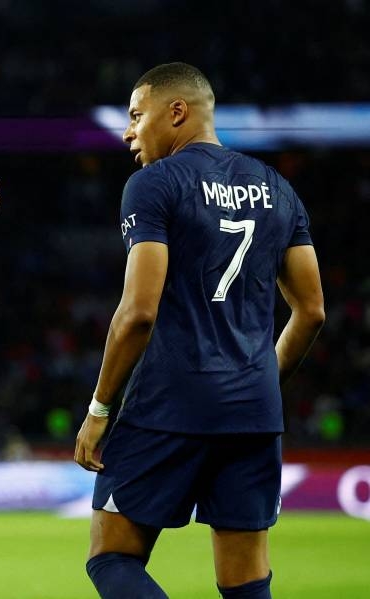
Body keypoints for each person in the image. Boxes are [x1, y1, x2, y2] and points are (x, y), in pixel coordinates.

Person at [73, 62, 325, 599]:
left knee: (112, 558)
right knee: (246, 582)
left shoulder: (154, 184)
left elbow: (138, 312)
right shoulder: (278, 190)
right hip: (253, 411)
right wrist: (260, 379)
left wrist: (98, 410)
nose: (128, 132)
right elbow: (312, 311)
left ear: (176, 112)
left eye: (136, 116)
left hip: (171, 401)